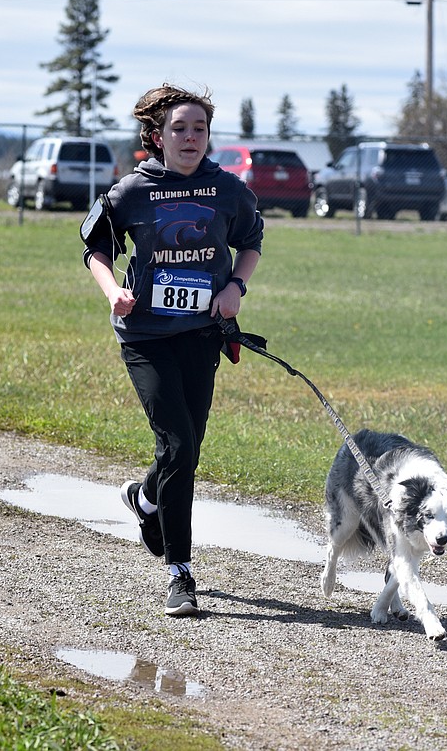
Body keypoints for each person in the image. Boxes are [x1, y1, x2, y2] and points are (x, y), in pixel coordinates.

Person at [81, 84, 263, 616]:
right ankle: (180, 574)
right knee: (179, 443)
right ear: (157, 136)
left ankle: (145, 498)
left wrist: (234, 288)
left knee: (187, 446)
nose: (190, 138)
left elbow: (250, 243)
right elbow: (96, 247)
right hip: (145, 338)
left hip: (202, 336)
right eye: (179, 129)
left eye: (199, 129)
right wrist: (113, 290)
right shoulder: (130, 191)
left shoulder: (227, 189)